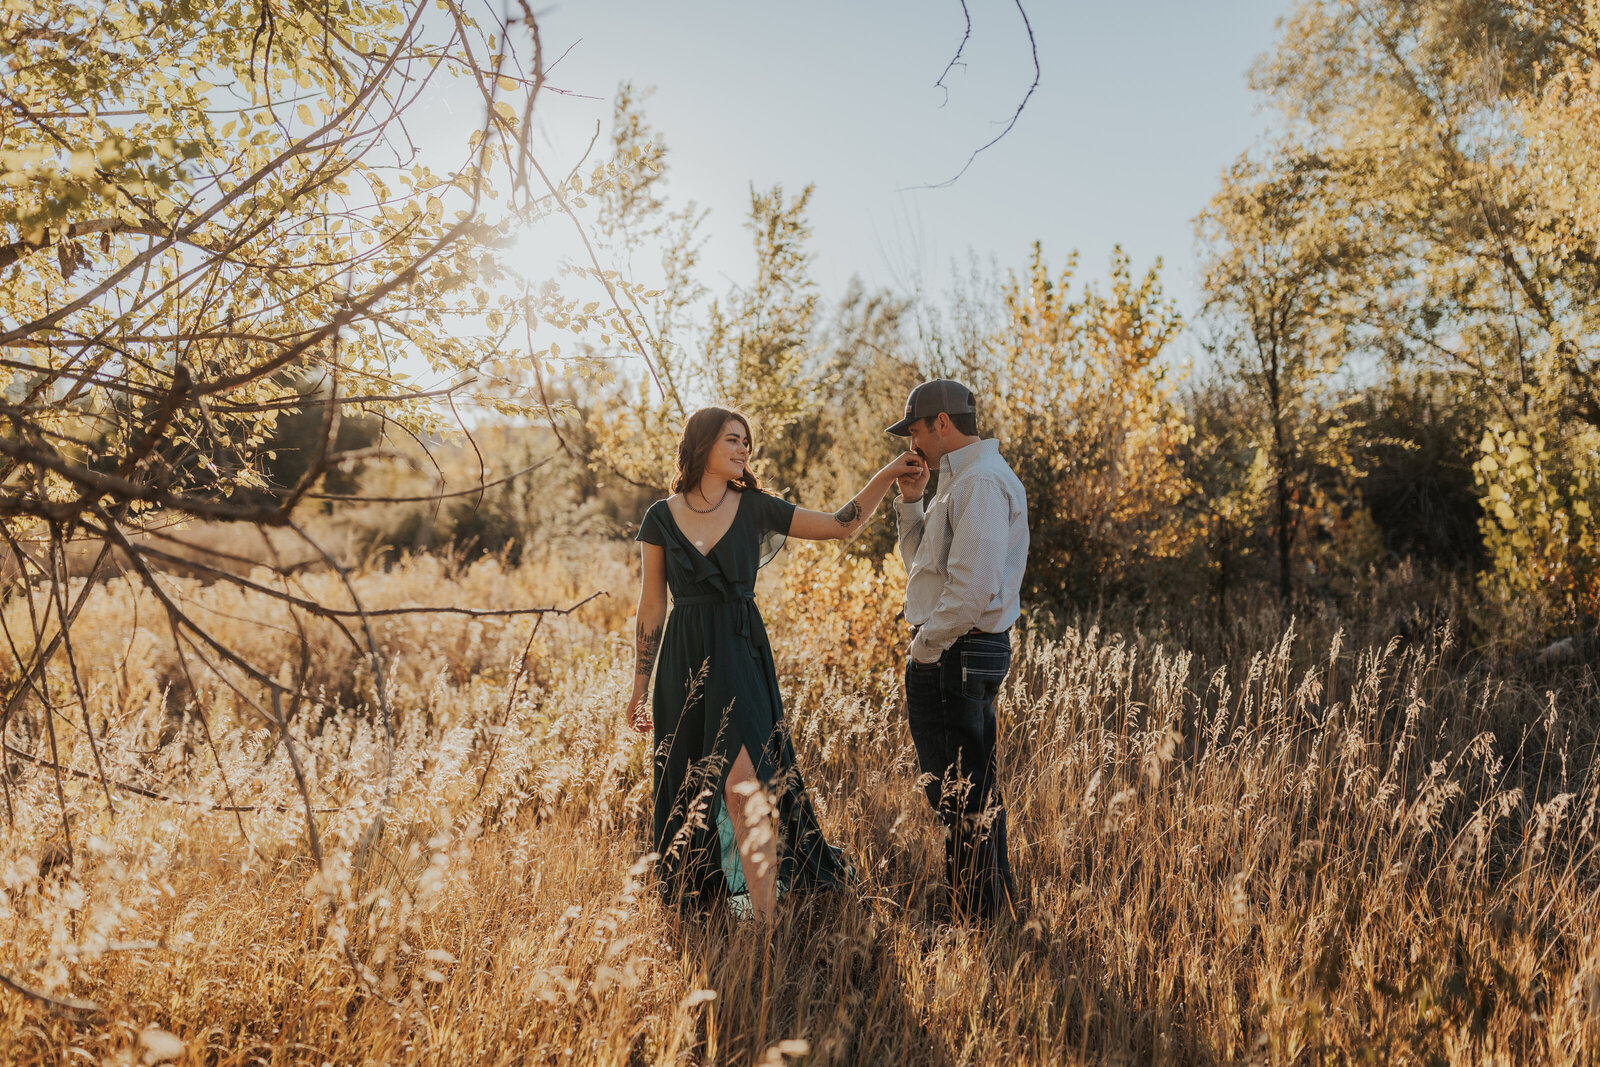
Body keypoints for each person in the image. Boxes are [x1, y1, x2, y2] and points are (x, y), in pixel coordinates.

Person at [626, 406, 923, 921]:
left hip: (741, 656)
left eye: (747, 442)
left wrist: (887, 475)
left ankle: (763, 925)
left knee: (745, 792)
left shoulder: (755, 506)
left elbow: (838, 526)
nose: (745, 450)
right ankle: (705, 899)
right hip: (684, 662)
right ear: (702, 446)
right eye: (734, 440)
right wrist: (640, 684)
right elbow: (652, 604)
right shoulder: (659, 516)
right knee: (687, 789)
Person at [887, 379, 1029, 920]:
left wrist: (924, 648)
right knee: (969, 789)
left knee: (960, 794)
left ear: (941, 423)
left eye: (917, 431)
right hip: (956, 647)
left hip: (959, 651)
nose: (913, 444)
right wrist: (911, 501)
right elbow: (923, 573)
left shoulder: (983, 483)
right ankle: (993, 908)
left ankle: (974, 918)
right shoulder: (959, 481)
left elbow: (971, 592)